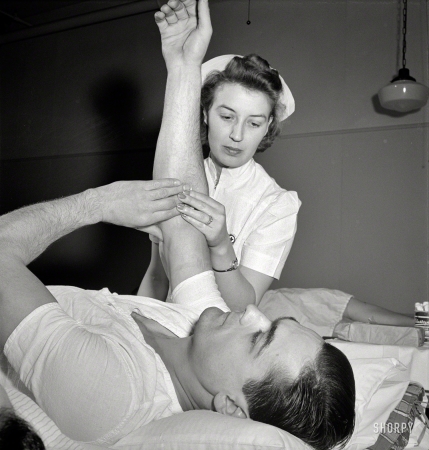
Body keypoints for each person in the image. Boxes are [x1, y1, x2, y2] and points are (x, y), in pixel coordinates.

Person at [0, 1, 355, 450]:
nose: (249, 310)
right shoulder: (198, 326)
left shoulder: (111, 390)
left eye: (260, 337)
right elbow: (181, 209)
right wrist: (183, 62)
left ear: (229, 407)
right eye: (226, 116)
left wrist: (94, 204)